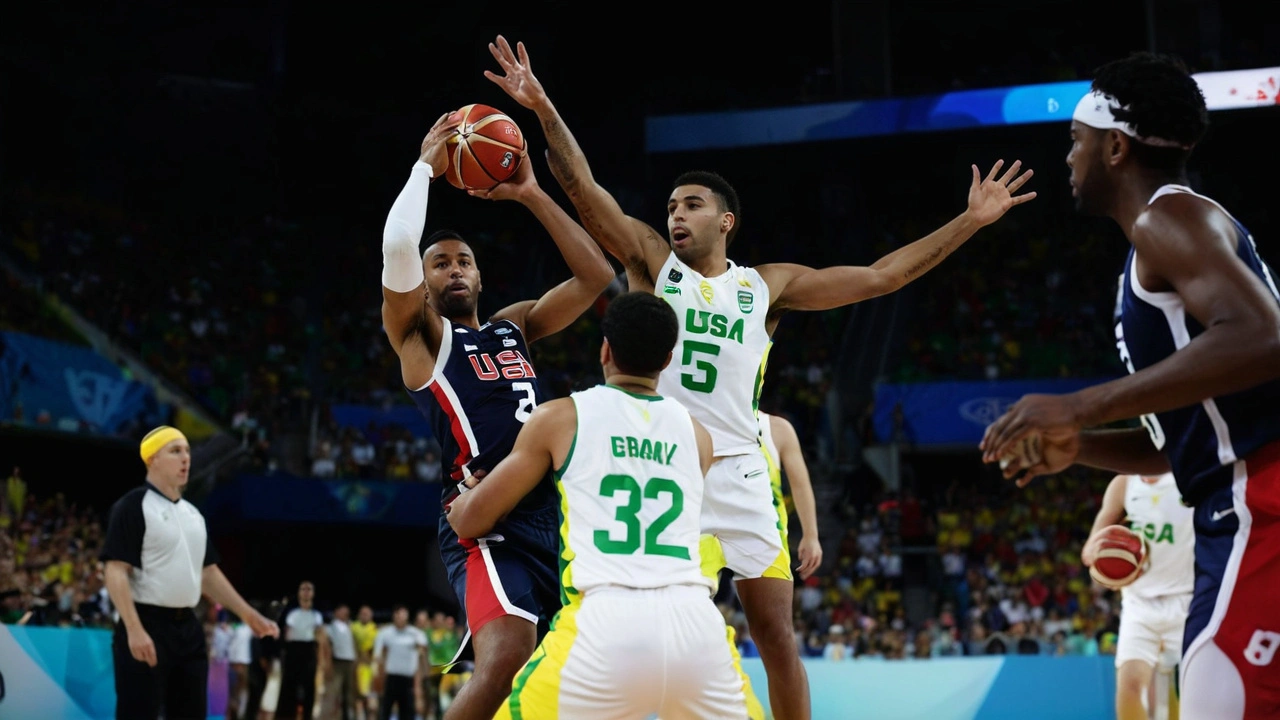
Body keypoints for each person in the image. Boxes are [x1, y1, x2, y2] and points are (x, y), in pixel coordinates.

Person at [483, 35, 1036, 720]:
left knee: (777, 637)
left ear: (726, 220)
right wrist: (541, 106)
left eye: (690, 205)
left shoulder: (765, 287)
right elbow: (582, 188)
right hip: (667, 462)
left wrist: (972, 220)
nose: (674, 215)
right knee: (651, 629)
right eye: (672, 207)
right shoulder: (655, 264)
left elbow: (882, 277)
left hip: (744, 472)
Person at [979, 52, 1280, 719]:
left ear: (1114, 147)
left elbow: (1266, 337)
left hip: (1260, 498)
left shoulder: (1167, 220)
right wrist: (1078, 443)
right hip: (1237, 497)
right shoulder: (1163, 238)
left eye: (1074, 141)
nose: (1067, 158)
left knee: (1220, 699)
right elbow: (1184, 440)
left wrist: (1079, 403)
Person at [380, 110, 616, 720]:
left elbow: (597, 276)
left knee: (575, 675)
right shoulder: (422, 340)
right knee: (507, 654)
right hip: (485, 520)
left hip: (556, 519)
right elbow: (400, 244)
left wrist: (532, 193)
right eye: (440, 264)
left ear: (480, 274)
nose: (453, 269)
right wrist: (426, 170)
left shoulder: (514, 328)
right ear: (424, 284)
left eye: (463, 261)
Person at [448, 291, 751, 719]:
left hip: (604, 621)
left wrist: (462, 506)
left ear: (605, 350)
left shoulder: (560, 417)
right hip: (695, 624)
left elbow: (473, 520)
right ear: (667, 361)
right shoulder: (700, 436)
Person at [99, 425, 279, 720]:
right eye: (175, 451)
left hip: (189, 629)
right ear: (152, 459)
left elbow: (208, 573)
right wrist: (133, 628)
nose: (186, 458)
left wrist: (248, 615)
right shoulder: (133, 506)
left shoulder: (193, 514)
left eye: (187, 451)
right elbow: (115, 570)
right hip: (147, 624)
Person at [1084, 472, 1193, 720]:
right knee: (1130, 687)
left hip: (1187, 599)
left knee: (1194, 694)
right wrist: (1107, 567)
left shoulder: (1187, 474)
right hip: (1138, 603)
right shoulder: (1123, 484)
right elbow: (1091, 551)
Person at [759, 411, 823, 580]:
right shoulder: (696, 423)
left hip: (764, 534)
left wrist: (811, 535)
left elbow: (801, 486)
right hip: (707, 532)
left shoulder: (777, 429)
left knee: (773, 606)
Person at [277, 580, 329, 720]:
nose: (306, 591)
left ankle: (307, 716)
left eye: (309, 589)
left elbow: (321, 637)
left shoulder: (317, 615)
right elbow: (284, 634)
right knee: (288, 687)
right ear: (299, 592)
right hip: (292, 651)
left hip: (309, 651)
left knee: (309, 688)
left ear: (313, 593)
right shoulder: (290, 612)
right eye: (303, 588)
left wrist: (322, 659)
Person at [374, 605, 428, 720]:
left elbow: (423, 655)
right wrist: (378, 675)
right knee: (385, 711)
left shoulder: (416, 634)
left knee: (408, 712)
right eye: (399, 615)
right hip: (390, 678)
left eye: (404, 615)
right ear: (394, 616)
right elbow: (378, 656)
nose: (401, 618)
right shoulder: (385, 633)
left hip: (408, 679)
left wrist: (422, 677)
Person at [324, 604, 359, 720]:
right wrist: (328, 664)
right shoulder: (330, 627)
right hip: (337, 662)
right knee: (335, 691)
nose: (346, 613)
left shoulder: (351, 626)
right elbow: (327, 646)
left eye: (347, 612)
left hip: (350, 662)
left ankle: (348, 716)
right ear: (336, 612)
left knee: (349, 693)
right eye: (343, 611)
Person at [351, 605, 380, 720]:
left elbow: (376, 649)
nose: (365, 616)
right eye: (363, 613)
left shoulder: (375, 629)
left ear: (371, 616)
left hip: (371, 668)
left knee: (372, 702)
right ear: (359, 615)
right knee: (357, 700)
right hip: (357, 667)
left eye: (367, 614)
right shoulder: (353, 627)